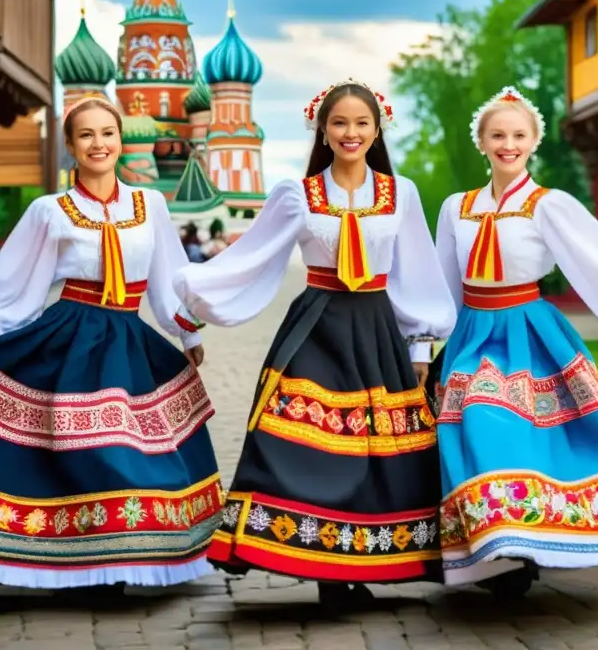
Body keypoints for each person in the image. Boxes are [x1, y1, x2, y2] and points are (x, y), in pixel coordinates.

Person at [0, 96, 223, 589]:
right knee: (88, 449)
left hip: (131, 341)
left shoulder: (150, 205)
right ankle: (91, 560)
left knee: (131, 447)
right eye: (86, 135)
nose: (99, 143)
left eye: (108, 133)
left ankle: (129, 557)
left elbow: (167, 280)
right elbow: (17, 292)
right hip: (72, 339)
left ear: (121, 140)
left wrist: (185, 331)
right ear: (71, 147)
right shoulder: (49, 211)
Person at [173, 80, 457, 607]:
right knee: (301, 440)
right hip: (317, 325)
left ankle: (369, 559)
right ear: (322, 130)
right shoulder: (296, 194)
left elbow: (414, 273)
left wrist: (420, 344)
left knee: (379, 449)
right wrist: (193, 304)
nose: (351, 133)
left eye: (361, 123)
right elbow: (252, 257)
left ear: (378, 129)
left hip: (377, 330)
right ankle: (322, 567)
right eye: (340, 123)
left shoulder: (402, 193)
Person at [427, 86, 598, 595]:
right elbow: (442, 284)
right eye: (497, 135)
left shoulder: (548, 205)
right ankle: (497, 550)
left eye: (518, 135)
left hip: (530, 333)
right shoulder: (456, 208)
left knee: (519, 429)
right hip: (473, 333)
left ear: (533, 142)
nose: (507, 144)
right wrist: (425, 344)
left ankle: (527, 543)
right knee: (473, 421)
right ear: (482, 142)